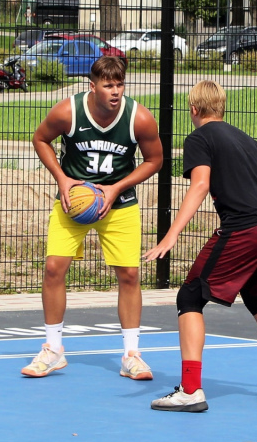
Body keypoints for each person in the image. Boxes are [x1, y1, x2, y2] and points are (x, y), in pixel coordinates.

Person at [145, 80, 257, 412]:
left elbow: (200, 185)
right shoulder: (249, 141)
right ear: (222, 107)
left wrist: (172, 233)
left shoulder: (198, 138)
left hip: (246, 228)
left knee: (190, 295)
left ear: (193, 110)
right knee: (253, 292)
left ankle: (191, 389)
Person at [24, 56, 163, 380]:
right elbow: (40, 139)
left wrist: (116, 188)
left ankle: (132, 354)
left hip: (120, 204)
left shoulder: (138, 118)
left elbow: (154, 160)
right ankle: (54, 349)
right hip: (75, 202)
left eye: (119, 84)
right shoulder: (68, 112)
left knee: (129, 274)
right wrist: (61, 179)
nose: (115, 91)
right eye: (108, 85)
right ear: (93, 86)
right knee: (53, 268)